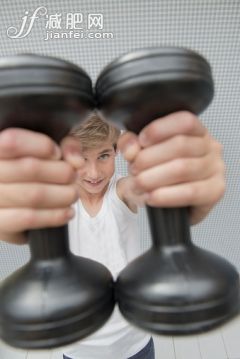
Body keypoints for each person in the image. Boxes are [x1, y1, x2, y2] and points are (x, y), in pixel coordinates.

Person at [0, 110, 225, 359]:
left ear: (116, 151)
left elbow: (140, 188)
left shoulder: (121, 191)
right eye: (82, 159)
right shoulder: (56, 202)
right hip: (78, 344)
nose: (94, 173)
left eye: (103, 156)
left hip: (133, 337)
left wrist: (176, 180)